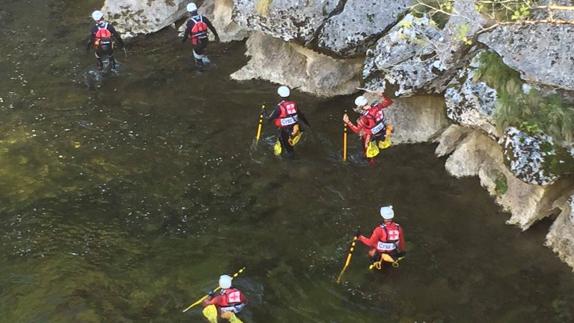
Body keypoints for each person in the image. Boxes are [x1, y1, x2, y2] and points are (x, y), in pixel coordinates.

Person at [343, 92, 393, 159]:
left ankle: (371, 161)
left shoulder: (364, 118)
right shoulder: (377, 107)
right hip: (383, 131)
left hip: (371, 136)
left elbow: (357, 130)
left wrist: (348, 122)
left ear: (360, 107)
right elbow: (389, 101)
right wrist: (383, 95)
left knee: (366, 147)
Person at [267, 85, 310, 157]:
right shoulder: (294, 104)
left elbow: (270, 119)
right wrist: (307, 124)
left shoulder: (279, 107)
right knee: (290, 142)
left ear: (280, 96)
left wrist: (265, 114)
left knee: (288, 148)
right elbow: (301, 115)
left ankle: (291, 158)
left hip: (285, 130)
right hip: (295, 127)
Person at [181, 2, 220, 67]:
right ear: (196, 10)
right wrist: (216, 36)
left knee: (197, 54)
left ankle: (200, 69)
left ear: (189, 12)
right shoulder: (204, 18)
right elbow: (211, 27)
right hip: (205, 41)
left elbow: (186, 33)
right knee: (202, 49)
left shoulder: (190, 22)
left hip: (196, 42)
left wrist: (183, 41)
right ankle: (206, 60)